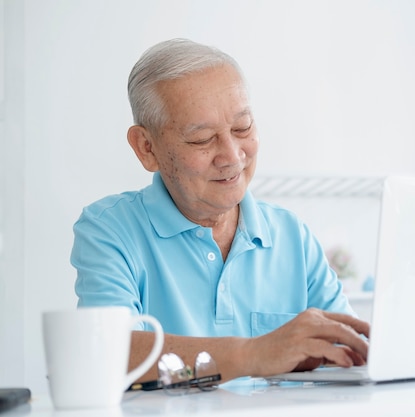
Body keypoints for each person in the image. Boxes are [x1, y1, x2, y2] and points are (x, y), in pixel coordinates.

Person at [71, 38, 369, 384]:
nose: (232, 155)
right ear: (146, 148)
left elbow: (349, 350)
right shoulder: (110, 229)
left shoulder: (292, 235)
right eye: (202, 139)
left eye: (242, 128)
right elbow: (108, 352)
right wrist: (254, 354)